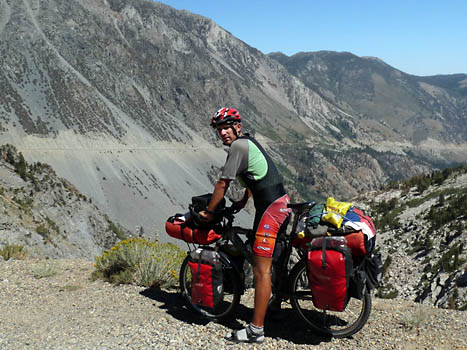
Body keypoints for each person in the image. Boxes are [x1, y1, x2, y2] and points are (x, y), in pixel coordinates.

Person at [199, 107, 290, 343]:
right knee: (273, 259)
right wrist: (243, 199)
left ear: (237, 127)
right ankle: (276, 305)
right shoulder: (248, 143)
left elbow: (222, 184)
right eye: (219, 130)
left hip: (270, 210)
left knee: (261, 269)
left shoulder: (238, 147)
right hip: (279, 204)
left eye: (226, 128)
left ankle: (255, 331)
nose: (222, 133)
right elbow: (255, 175)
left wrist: (210, 213)